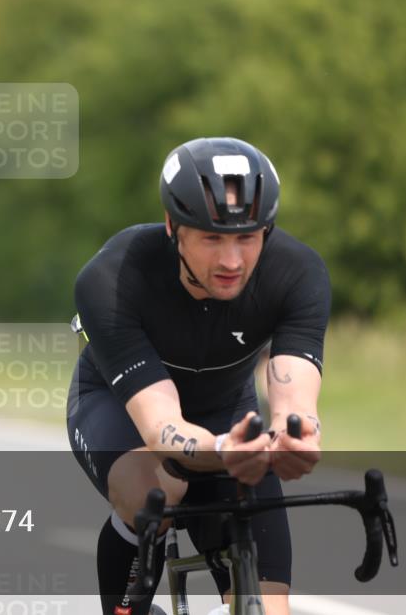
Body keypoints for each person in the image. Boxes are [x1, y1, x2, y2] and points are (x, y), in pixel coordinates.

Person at [67, 137, 329, 615]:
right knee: (156, 491)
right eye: (212, 238)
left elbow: (294, 397)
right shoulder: (113, 278)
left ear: (267, 232)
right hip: (120, 410)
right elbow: (160, 426)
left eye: (247, 238)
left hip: (228, 413)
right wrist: (227, 450)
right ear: (173, 227)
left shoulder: (298, 273)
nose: (231, 261)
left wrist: (295, 434)